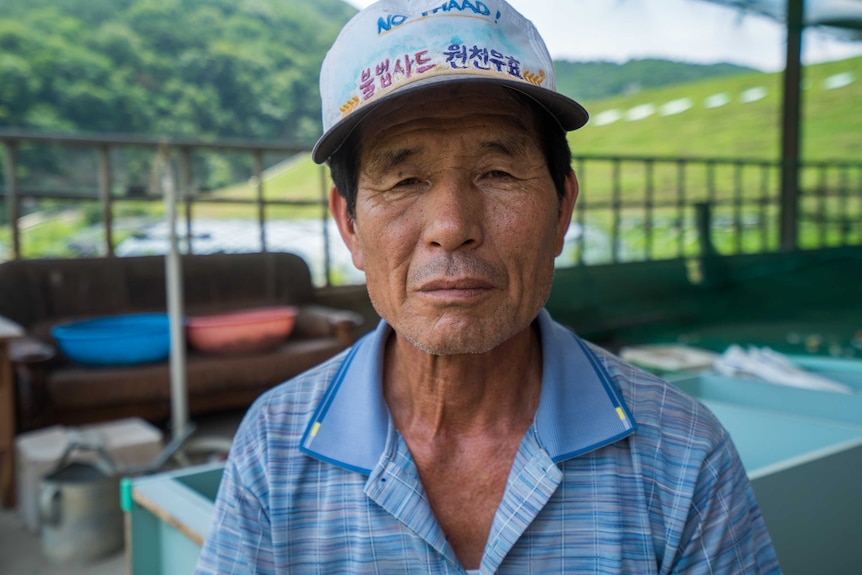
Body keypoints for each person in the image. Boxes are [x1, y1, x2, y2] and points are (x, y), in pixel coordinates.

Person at [196, 1, 780, 573]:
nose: (451, 227)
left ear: (561, 210)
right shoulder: (273, 448)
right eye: (403, 180)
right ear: (349, 224)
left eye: (498, 173)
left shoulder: (682, 458)